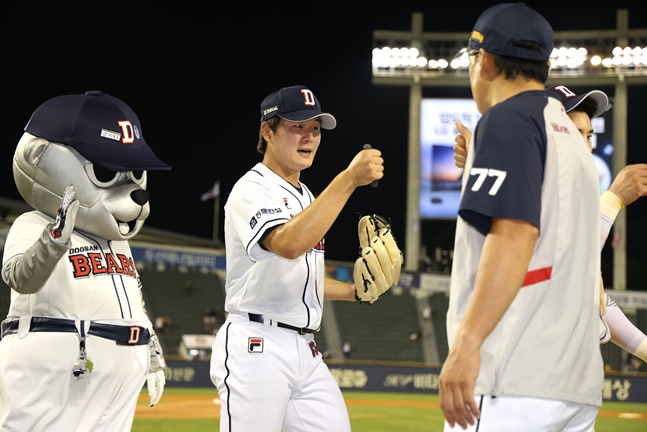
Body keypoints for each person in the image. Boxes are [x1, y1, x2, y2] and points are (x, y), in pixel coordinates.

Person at [438, 4, 603, 431]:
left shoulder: (507, 119)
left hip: (511, 377)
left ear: (484, 60)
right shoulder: (571, 137)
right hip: (573, 383)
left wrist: (467, 343)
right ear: (546, 66)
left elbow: (515, 234)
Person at [209, 84, 388, 432]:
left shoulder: (306, 195)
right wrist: (349, 179)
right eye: (297, 126)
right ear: (268, 131)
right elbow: (288, 244)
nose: (309, 137)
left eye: (315, 129)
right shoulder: (252, 187)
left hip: (304, 348)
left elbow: (302, 279)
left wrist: (354, 291)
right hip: (257, 344)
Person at [0, 91, 170, 431]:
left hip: (117, 374)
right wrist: (54, 239)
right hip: (57, 371)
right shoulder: (33, 223)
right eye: (107, 171)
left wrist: (152, 352)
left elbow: (134, 300)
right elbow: (19, 277)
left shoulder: (118, 242)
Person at [453, 84, 647, 365]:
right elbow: (567, 261)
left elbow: (594, 294)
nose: (588, 145)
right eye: (576, 133)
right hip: (527, 369)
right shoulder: (529, 198)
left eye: (589, 134)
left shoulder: (565, 194)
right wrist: (613, 200)